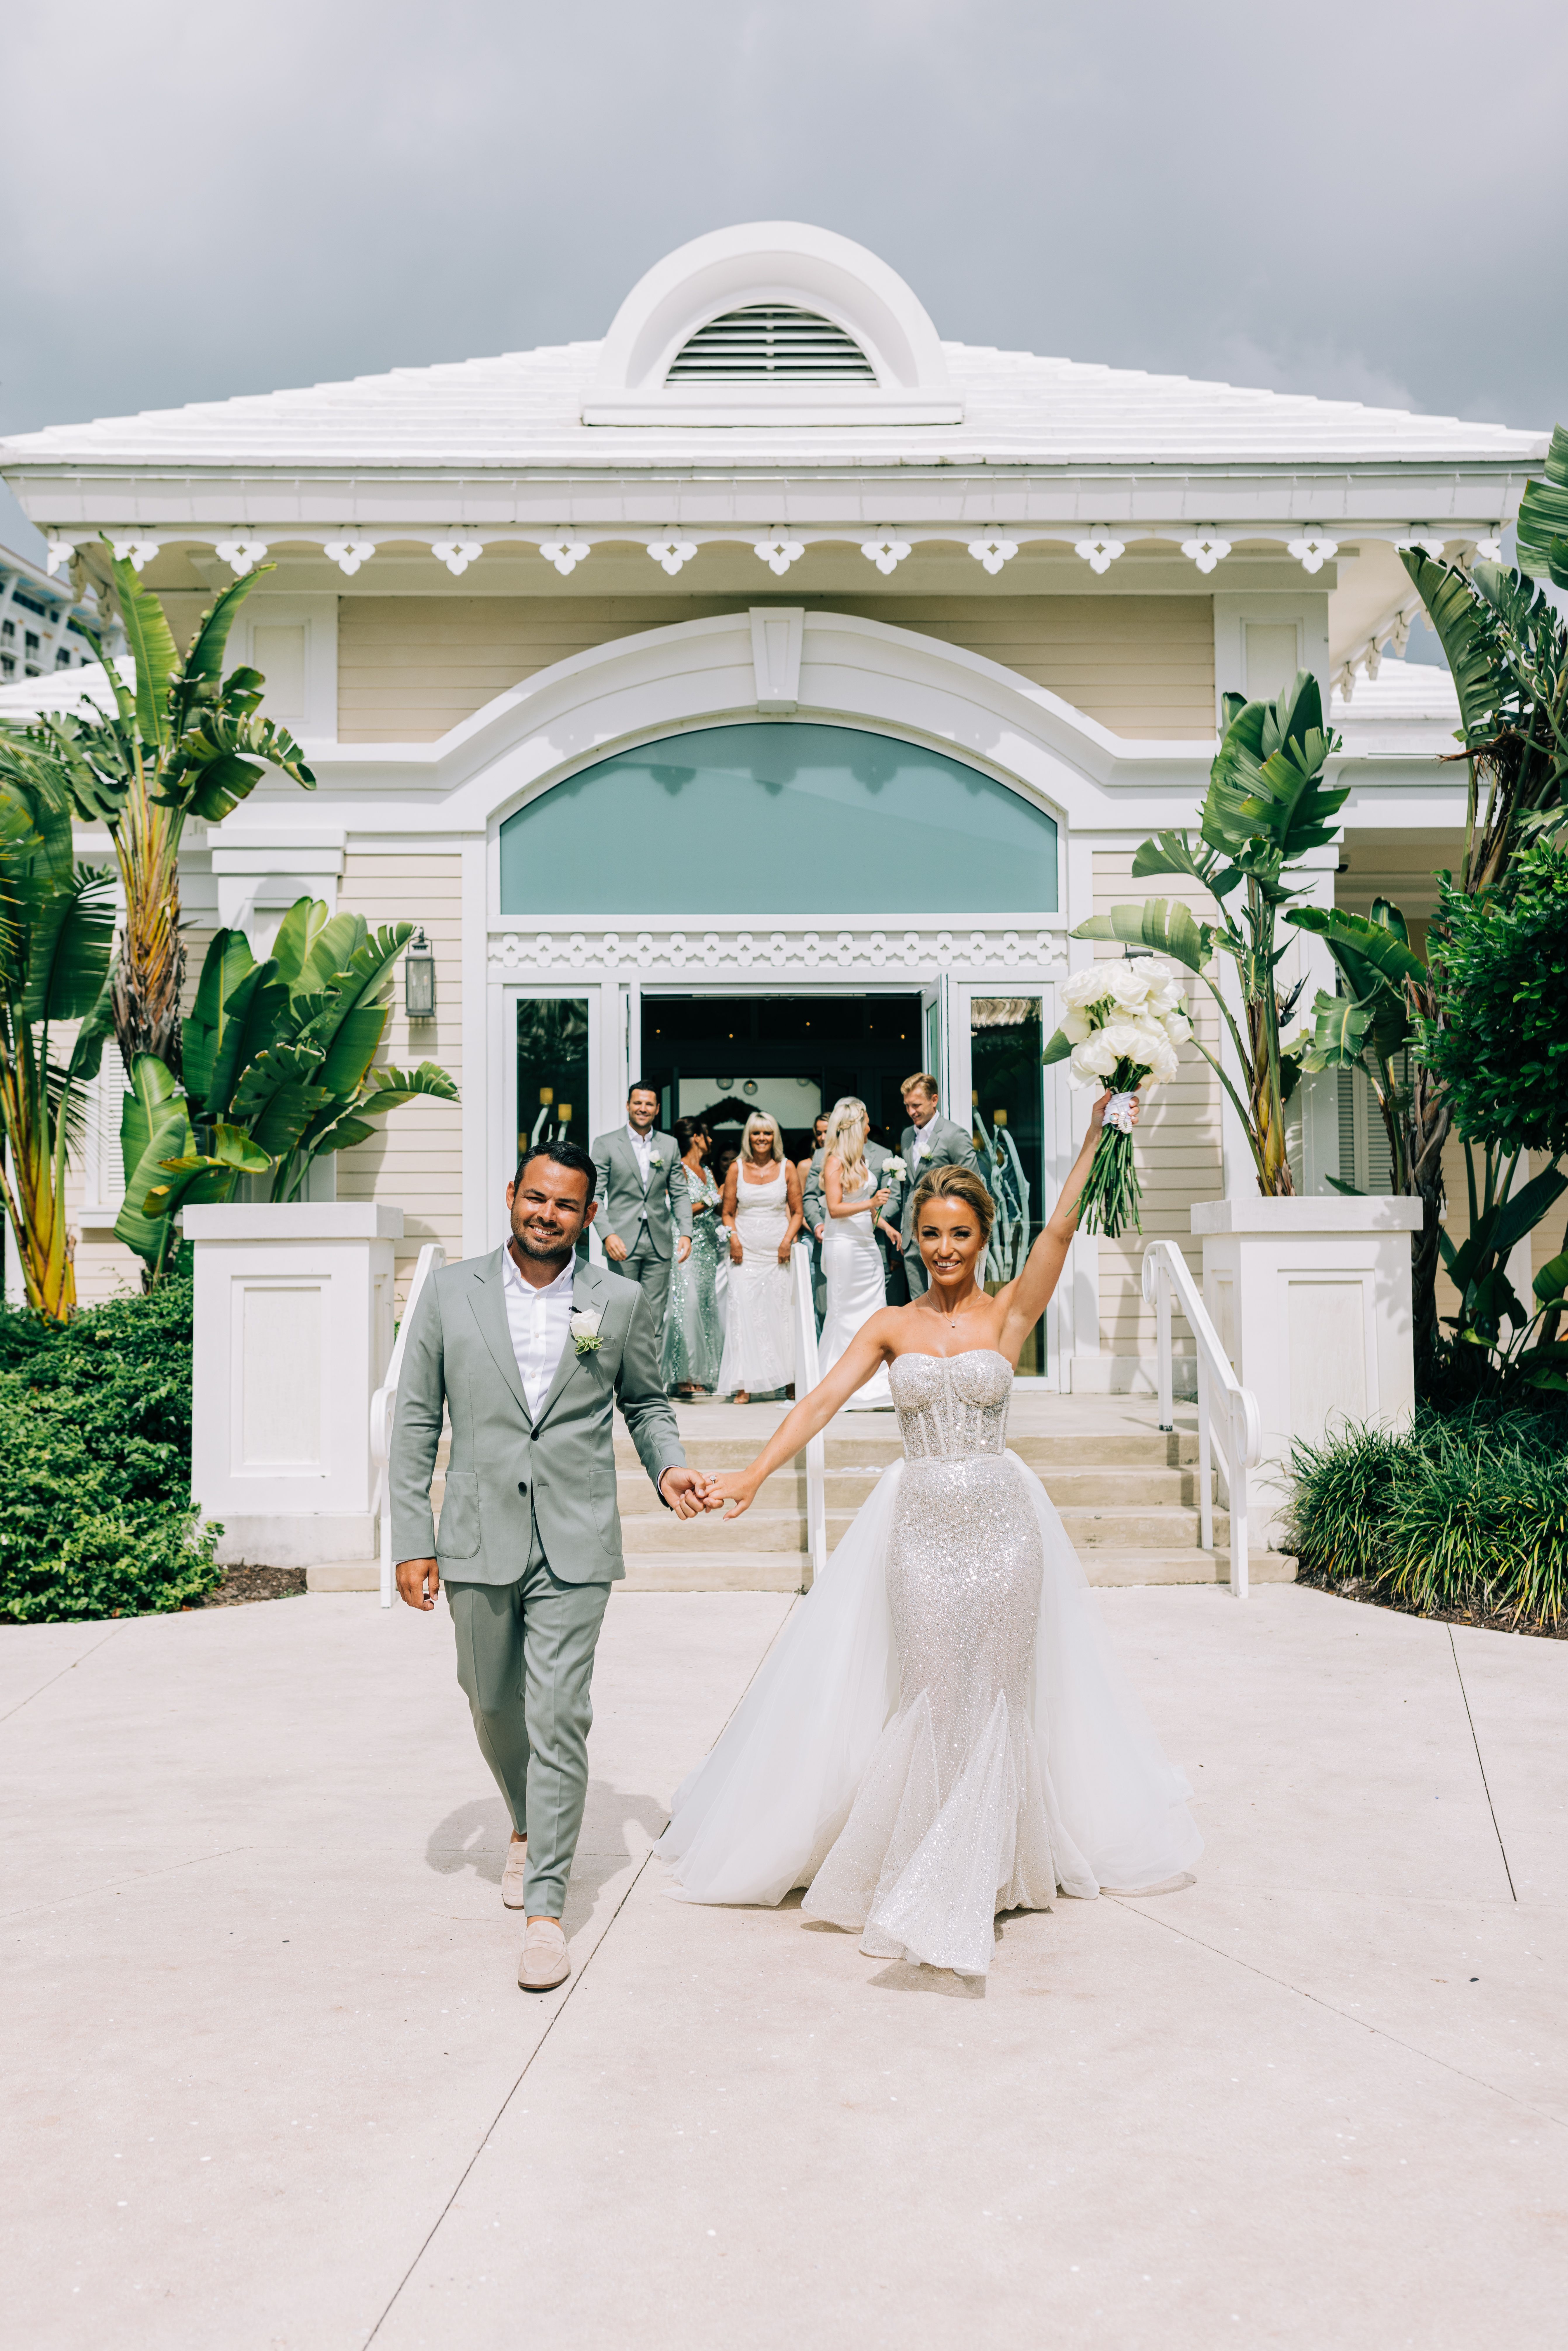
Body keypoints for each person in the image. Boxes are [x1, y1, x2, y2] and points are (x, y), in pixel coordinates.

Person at [660, 1096, 1202, 1980]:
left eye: (960, 1234)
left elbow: (1059, 1232)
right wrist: (754, 1474)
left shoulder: (1008, 1316)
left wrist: (1093, 1133)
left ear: (982, 1237)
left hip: (1004, 1529)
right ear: (910, 1238)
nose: (945, 1248)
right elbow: (819, 1401)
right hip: (918, 1528)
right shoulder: (890, 1326)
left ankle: (984, 1868)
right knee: (933, 1692)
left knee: (997, 1695)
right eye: (931, 1234)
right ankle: (931, 1855)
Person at [390, 1139, 713, 1992]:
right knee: (491, 1700)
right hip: (475, 1531)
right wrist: (412, 1537)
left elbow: (643, 1401)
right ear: (512, 1195)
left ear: (587, 1214)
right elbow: (416, 1420)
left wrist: (668, 1466)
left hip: (576, 1533)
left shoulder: (617, 1298)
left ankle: (545, 1910)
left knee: (560, 1714)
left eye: (566, 1204)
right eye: (536, 1198)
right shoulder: (449, 1292)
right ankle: (527, 1820)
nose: (548, 1215)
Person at [815, 1096, 903, 1409]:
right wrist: (872, 1202)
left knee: (873, 1312)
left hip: (867, 1246)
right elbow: (836, 1209)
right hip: (845, 1247)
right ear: (855, 1126)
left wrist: (886, 1227)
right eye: (865, 1121)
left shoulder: (862, 1160)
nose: (869, 1126)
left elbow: (867, 1209)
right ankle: (839, 1383)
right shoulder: (834, 1161)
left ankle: (874, 1380)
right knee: (844, 1313)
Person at [716, 1109, 803, 1403]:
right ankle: (745, 1383)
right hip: (745, 1255)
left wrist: (787, 1241)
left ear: (774, 1136)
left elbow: (798, 1212)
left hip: (778, 1255)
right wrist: (735, 1240)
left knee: (781, 1315)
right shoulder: (737, 1169)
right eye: (756, 1133)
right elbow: (728, 1213)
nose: (762, 1138)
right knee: (744, 1315)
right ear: (749, 1137)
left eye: (767, 1132)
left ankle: (789, 1380)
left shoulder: (787, 1167)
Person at [591, 1082, 690, 1340]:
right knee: (619, 1312)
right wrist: (608, 1234)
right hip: (621, 1241)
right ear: (628, 1105)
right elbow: (594, 1195)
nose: (643, 1108)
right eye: (638, 1103)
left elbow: (680, 1193)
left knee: (653, 1319)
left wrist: (686, 1233)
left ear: (657, 1109)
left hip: (659, 1241)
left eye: (649, 1104)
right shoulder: (606, 1144)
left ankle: (650, 1369)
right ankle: (618, 1368)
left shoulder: (669, 1145)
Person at [897, 1071, 980, 1298]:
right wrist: (905, 1228)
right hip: (912, 1235)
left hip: (944, 1237)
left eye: (916, 1105)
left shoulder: (954, 1135)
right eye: (907, 1106)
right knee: (918, 1302)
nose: (911, 1112)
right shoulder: (906, 1136)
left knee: (949, 1300)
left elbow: (974, 1185)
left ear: (934, 1100)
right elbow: (909, 1185)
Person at [662, 1117, 726, 1396]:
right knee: (685, 1306)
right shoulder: (679, 1169)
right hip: (685, 1243)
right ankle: (682, 1374)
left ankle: (705, 1372)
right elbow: (679, 1207)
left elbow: (717, 1207)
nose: (711, 1141)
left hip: (708, 1247)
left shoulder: (708, 1171)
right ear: (696, 1137)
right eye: (707, 1135)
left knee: (705, 1306)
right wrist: (713, 1198)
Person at [798, 1112, 829, 1321]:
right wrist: (819, 1228)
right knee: (818, 1301)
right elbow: (801, 1206)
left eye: (827, 1132)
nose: (822, 1137)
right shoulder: (805, 1166)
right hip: (814, 1237)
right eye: (819, 1133)